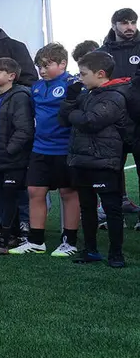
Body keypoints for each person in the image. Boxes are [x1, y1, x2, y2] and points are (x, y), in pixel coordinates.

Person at [9, 44, 81, 257]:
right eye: (39, 66)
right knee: (35, 191)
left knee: (68, 193)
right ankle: (36, 241)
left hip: (65, 148)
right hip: (40, 148)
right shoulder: (37, 87)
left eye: (47, 65)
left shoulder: (73, 85)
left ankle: (69, 241)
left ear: (62, 64)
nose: (42, 70)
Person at [60, 51, 130, 267]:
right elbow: (63, 119)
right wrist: (71, 100)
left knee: (112, 209)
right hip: (81, 161)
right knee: (87, 208)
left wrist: (73, 113)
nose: (79, 78)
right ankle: (90, 250)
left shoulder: (115, 96)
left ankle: (116, 254)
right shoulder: (86, 94)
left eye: (83, 74)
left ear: (100, 74)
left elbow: (91, 121)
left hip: (104, 163)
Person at [0, 58, 34, 255]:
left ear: (12, 76)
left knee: (11, 196)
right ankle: (10, 234)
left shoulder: (20, 96)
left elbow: (25, 129)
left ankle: (6, 237)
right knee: (3, 196)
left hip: (12, 157)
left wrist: (10, 150)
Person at [97, 8, 140, 216]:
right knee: (113, 168)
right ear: (114, 25)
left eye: (133, 22)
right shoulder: (101, 53)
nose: (130, 27)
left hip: (139, 119)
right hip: (113, 121)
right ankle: (115, 210)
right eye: (124, 23)